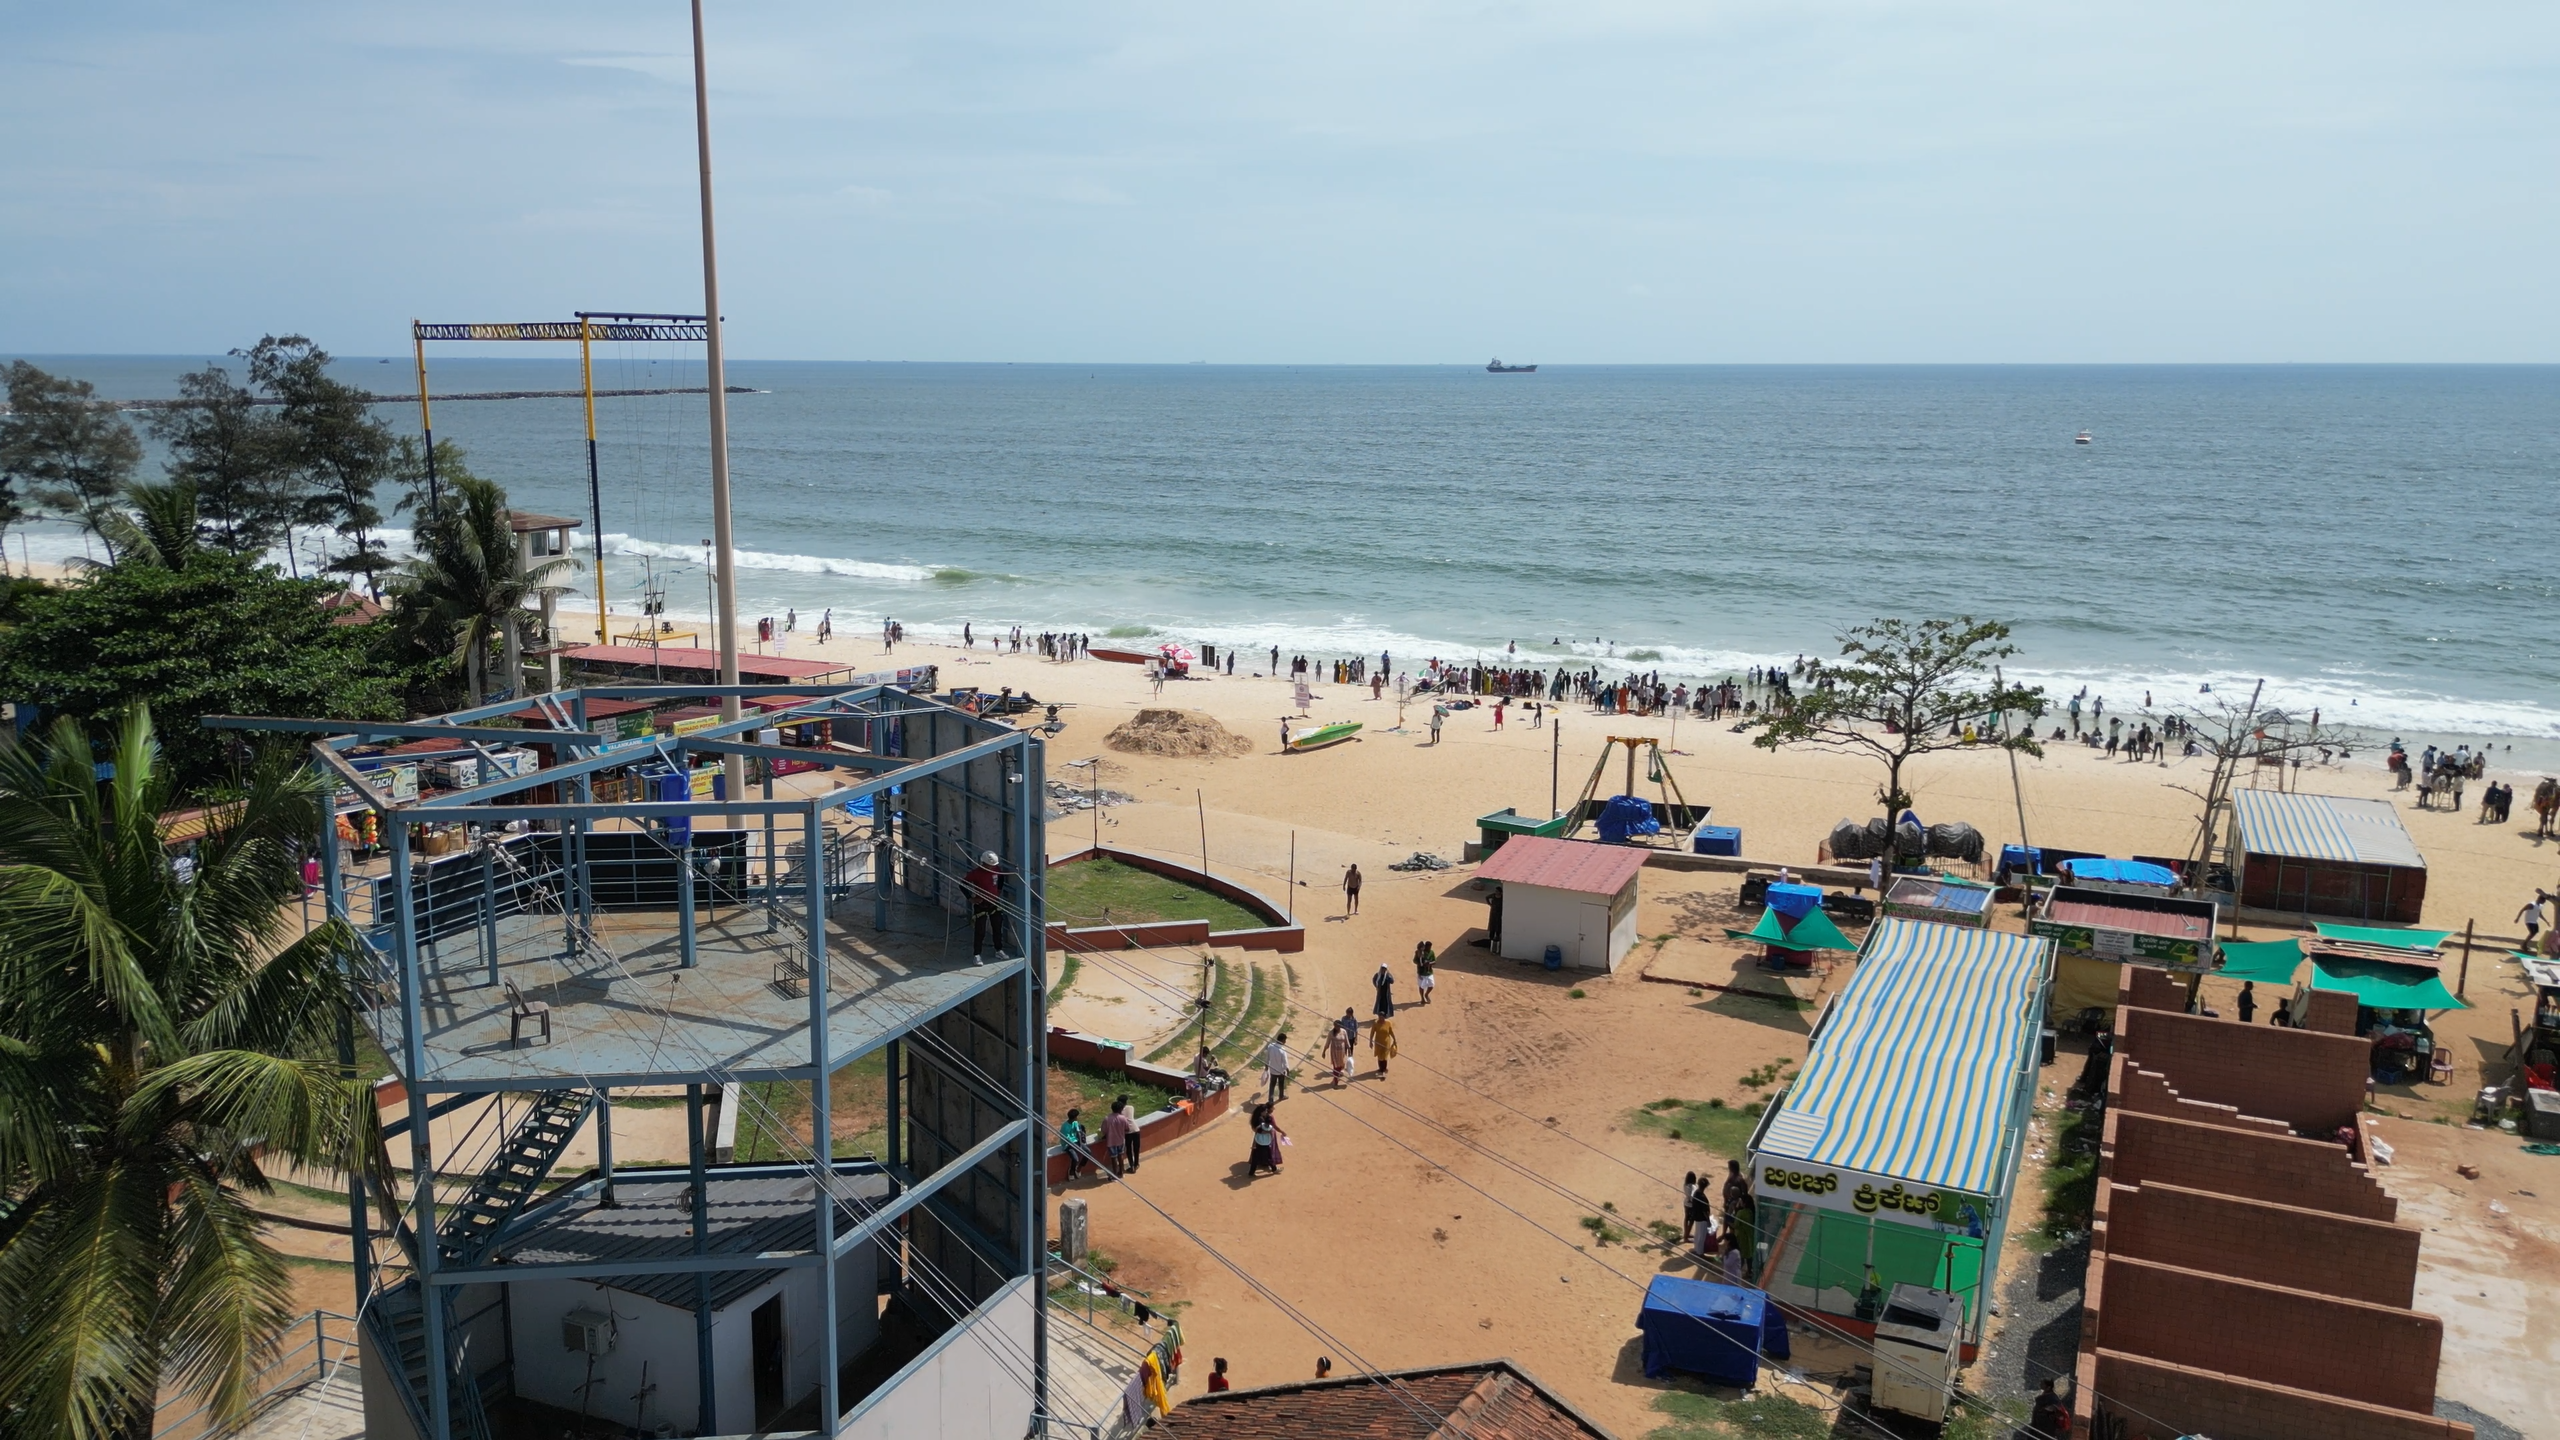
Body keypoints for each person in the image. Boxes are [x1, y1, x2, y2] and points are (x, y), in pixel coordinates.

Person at [965, 850, 1007, 960]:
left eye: (993, 866)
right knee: (980, 931)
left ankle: (999, 950)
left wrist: (998, 890)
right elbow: (963, 884)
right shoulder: (976, 874)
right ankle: (977, 954)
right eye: (990, 866)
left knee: (997, 928)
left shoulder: (996, 869)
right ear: (983, 863)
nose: (992, 868)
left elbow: (1002, 877)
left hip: (994, 903)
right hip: (981, 905)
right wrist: (970, 898)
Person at [1103, 1095, 1140, 1174]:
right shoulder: (1131, 1107)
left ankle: (1132, 1166)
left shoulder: (1119, 1111)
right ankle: (1136, 1164)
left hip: (1127, 1132)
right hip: (1136, 1129)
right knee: (1136, 1148)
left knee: (1129, 1150)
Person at [1061, 1107, 1092, 1179]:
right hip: (1068, 1145)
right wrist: (1077, 1147)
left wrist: (1080, 1145)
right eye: (1076, 1117)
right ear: (1074, 1118)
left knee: (1088, 1152)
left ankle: (1079, 1168)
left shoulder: (1075, 1122)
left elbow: (1078, 1133)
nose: (1077, 1118)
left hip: (1076, 1142)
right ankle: (1071, 1172)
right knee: (1075, 1159)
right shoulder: (1065, 1127)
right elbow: (1067, 1140)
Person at [1261, 1031, 1292, 1102]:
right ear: (1282, 1040)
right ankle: (1281, 1096)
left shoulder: (1270, 1046)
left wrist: (1266, 1066)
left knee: (1272, 1085)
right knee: (1281, 1084)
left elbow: (1267, 1057)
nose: (1285, 1042)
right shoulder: (1282, 1050)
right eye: (1285, 1040)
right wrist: (1287, 1071)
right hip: (1280, 1071)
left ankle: (1270, 1099)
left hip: (1272, 1070)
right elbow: (1285, 1063)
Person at [1325, 1019, 1353, 1085]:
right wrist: (1324, 1051)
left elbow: (1347, 1041)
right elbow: (1327, 1043)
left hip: (1342, 1053)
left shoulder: (1344, 1032)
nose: (1337, 1027)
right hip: (1334, 1053)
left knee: (1340, 1066)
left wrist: (1349, 1050)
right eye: (1335, 1026)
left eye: (1338, 1026)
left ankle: (1336, 1078)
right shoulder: (1331, 1033)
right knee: (1336, 1067)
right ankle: (1335, 1081)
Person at [1413, 940, 1436, 1004]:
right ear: (1425, 947)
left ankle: (1426, 994)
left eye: (1430, 947)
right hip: (1421, 973)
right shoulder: (1419, 952)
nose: (1429, 949)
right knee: (1421, 986)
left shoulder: (1431, 952)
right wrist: (1421, 964)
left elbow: (1435, 961)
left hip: (1429, 972)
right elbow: (1414, 961)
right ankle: (1422, 998)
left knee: (1431, 985)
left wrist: (1429, 963)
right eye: (1428, 947)